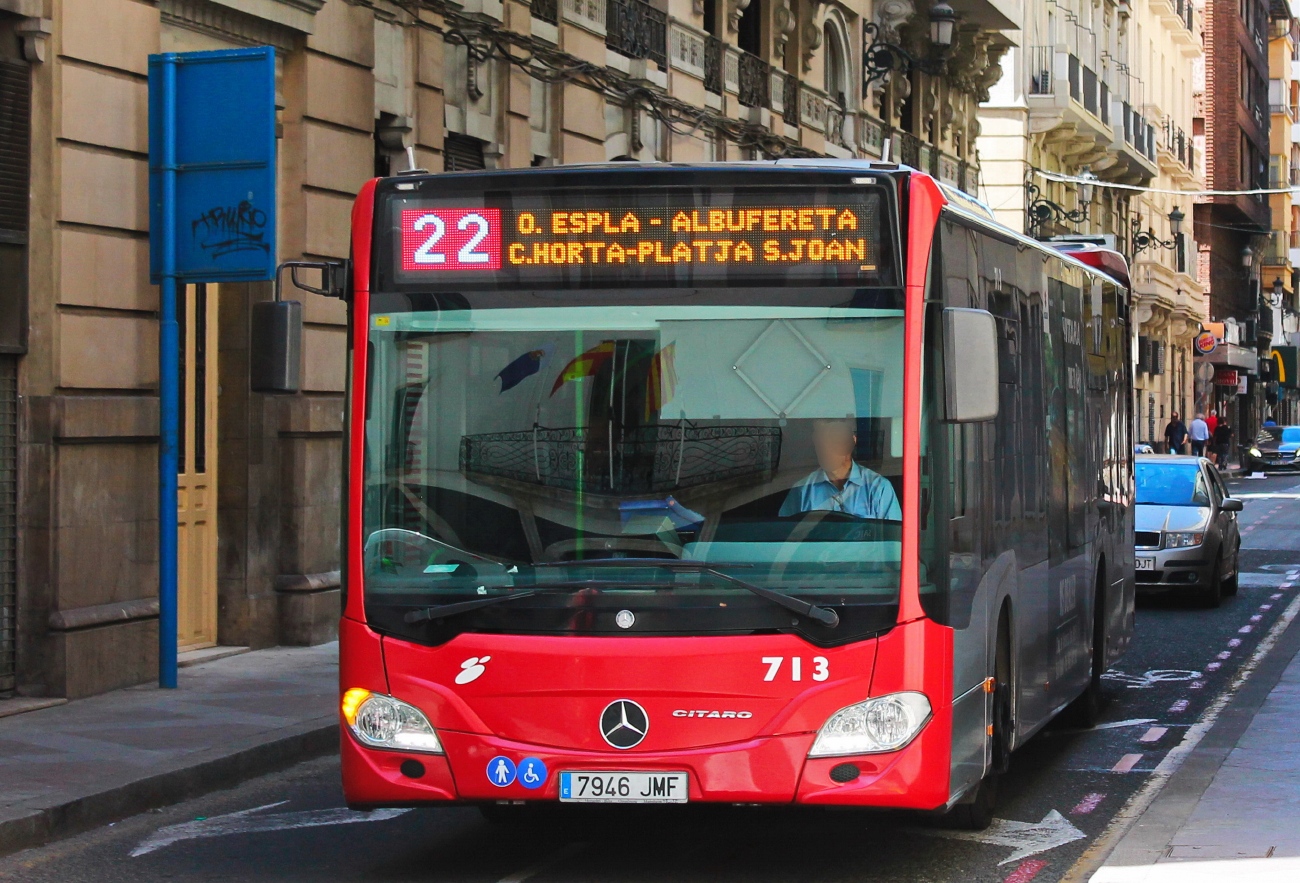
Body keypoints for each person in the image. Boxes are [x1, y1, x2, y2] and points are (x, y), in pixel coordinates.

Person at [779, 417, 901, 520]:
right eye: (821, 441)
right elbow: (784, 538)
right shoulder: (802, 491)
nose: (826, 449)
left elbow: (893, 542)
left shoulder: (879, 488)